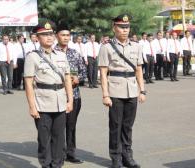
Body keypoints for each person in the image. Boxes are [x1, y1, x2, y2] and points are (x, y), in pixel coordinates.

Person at [24, 19, 73, 168]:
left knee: (59, 139)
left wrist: (70, 100)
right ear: (37, 38)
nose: (49, 37)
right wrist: (32, 106)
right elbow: (28, 83)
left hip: (60, 101)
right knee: (44, 139)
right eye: (45, 34)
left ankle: (57, 165)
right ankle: (46, 165)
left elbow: (67, 79)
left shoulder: (61, 55)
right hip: (42, 103)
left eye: (51, 34)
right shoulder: (33, 57)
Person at [98, 14, 146, 168]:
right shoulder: (106, 47)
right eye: (121, 27)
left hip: (132, 90)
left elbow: (139, 70)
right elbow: (103, 73)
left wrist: (142, 90)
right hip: (115, 91)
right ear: (114, 28)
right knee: (115, 126)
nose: (125, 30)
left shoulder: (136, 46)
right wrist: (105, 94)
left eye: (127, 27)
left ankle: (127, 155)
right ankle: (116, 158)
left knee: (128, 126)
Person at [54, 22, 87, 164]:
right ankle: (58, 153)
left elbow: (84, 71)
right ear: (57, 36)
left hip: (74, 96)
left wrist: (78, 78)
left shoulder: (74, 53)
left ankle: (70, 153)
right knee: (58, 127)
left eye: (68, 35)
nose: (66, 38)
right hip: (57, 96)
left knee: (71, 126)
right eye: (63, 35)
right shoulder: (51, 53)